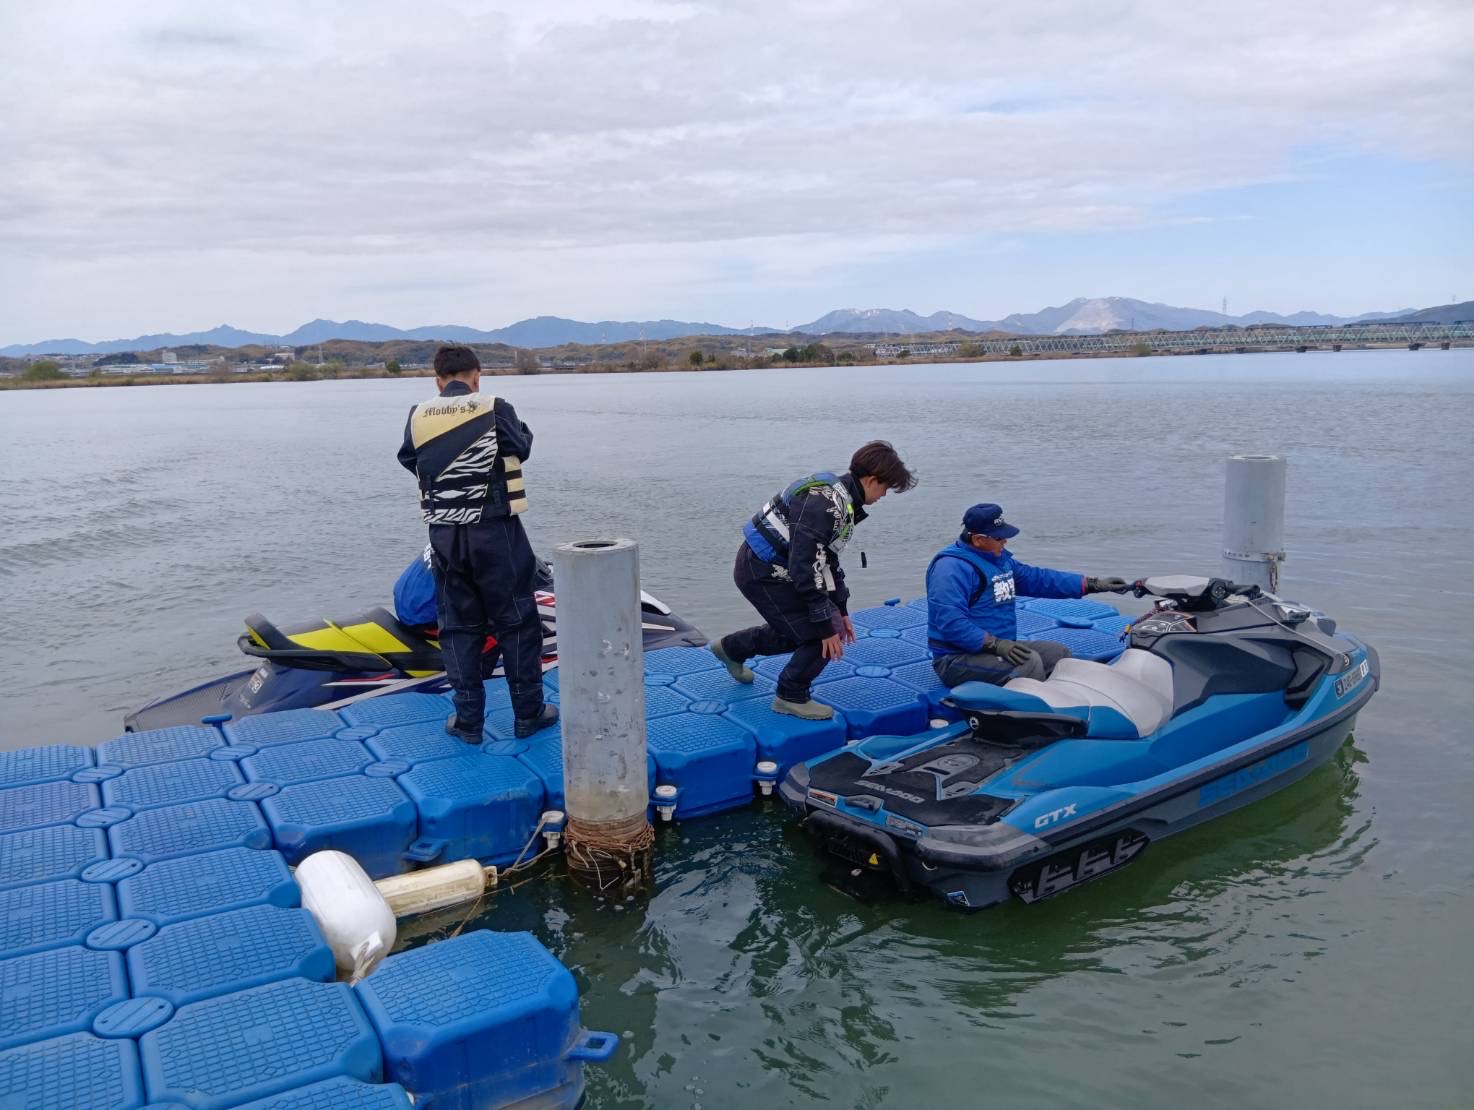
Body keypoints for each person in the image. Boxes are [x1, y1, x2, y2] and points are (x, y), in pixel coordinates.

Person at [397, 345, 557, 742]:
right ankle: (528, 715)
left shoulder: (417, 415)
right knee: (517, 621)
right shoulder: (494, 407)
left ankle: (468, 722)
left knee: (457, 627)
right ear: (476, 375)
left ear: (437, 379)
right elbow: (520, 447)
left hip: (445, 534)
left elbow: (408, 459)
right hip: (495, 531)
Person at [710, 441, 917, 719]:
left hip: (774, 566)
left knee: (809, 626)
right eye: (885, 488)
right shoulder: (825, 506)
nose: (883, 496)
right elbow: (805, 569)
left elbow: (827, 559)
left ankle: (731, 648)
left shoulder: (839, 497)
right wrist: (827, 623)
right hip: (762, 571)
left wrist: (841, 608)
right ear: (871, 480)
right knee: (821, 630)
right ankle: (791, 694)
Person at [927, 502, 1128, 687]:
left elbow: (1038, 579)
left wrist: (1092, 584)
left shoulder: (998, 560)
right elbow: (950, 622)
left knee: (1060, 655)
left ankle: (1069, 703)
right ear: (979, 540)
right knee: (1029, 663)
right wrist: (995, 644)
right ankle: (1035, 718)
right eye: (999, 537)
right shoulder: (950, 569)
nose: (1005, 540)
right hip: (956, 659)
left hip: (994, 648)